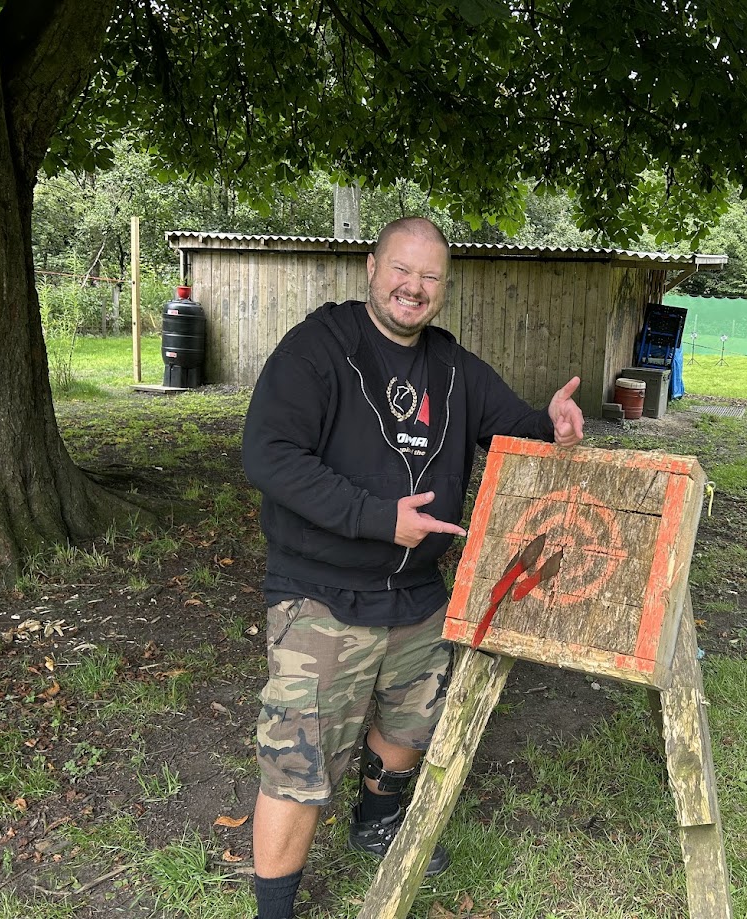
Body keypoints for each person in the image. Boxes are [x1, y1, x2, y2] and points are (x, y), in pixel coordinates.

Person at [241, 216, 584, 919]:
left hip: (416, 593)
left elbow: (514, 428)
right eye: (402, 269)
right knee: (299, 760)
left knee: (411, 724)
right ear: (372, 268)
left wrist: (551, 425)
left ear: (443, 287)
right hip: (322, 592)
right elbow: (268, 456)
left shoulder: (451, 368)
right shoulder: (318, 348)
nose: (414, 287)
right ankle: (274, 909)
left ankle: (375, 821)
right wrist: (377, 518)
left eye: (430, 276)